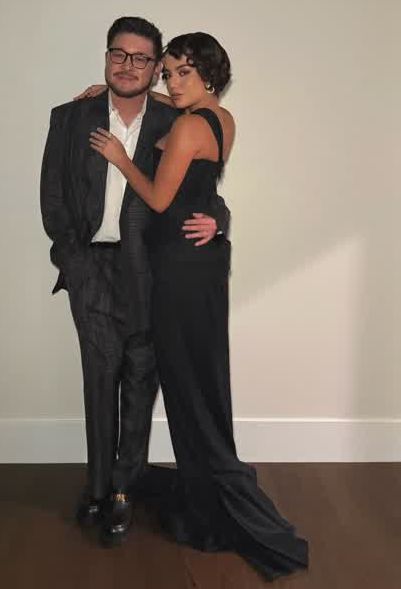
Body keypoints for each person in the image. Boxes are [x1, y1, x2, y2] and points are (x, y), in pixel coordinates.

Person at [89, 31, 309, 581]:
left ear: (208, 73)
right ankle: (207, 483)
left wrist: (120, 158)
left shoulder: (188, 126)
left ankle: (210, 502)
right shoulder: (221, 119)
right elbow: (201, 189)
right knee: (200, 377)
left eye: (182, 72)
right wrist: (138, 92)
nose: (172, 82)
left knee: (187, 381)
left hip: (179, 271)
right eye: (167, 73)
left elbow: (160, 199)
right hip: (201, 265)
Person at [40, 17, 230, 548]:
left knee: (142, 381)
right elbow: (52, 197)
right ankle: (97, 487)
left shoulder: (175, 118)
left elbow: (201, 189)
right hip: (92, 270)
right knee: (99, 379)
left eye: (141, 58)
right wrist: (74, 263)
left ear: (154, 67)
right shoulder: (69, 117)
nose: (128, 65)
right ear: (107, 57)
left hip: (153, 273)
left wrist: (219, 220)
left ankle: (125, 488)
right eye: (119, 54)